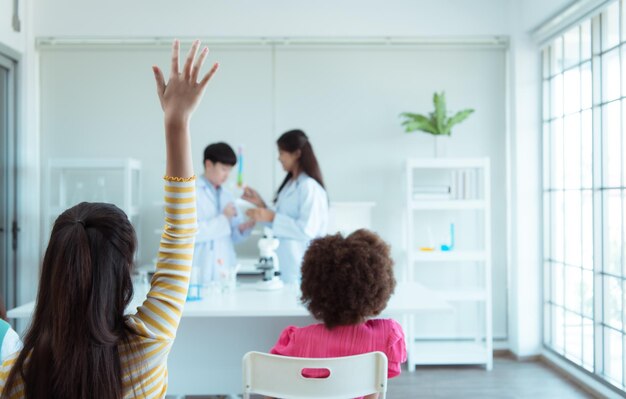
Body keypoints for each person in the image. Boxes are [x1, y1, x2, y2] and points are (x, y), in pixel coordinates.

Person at [0, 39, 216, 398]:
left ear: (52, 270)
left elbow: (180, 232)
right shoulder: (147, 347)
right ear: (122, 276)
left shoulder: (13, 377)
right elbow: (181, 233)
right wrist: (176, 122)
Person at [269, 229, 406, 399]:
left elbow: (273, 391)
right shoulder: (387, 336)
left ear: (313, 287)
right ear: (378, 286)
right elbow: (374, 390)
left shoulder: (296, 341)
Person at [243, 129, 328, 284]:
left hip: (301, 264)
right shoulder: (291, 184)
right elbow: (283, 218)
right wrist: (261, 204)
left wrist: (272, 216)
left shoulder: (309, 187)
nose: (279, 158)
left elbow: (307, 230)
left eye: (282, 153)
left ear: (296, 153)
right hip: (287, 265)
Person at [194, 142, 254, 284]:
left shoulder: (227, 195)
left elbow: (231, 236)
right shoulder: (192, 192)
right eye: (223, 169)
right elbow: (191, 233)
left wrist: (241, 228)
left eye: (229, 171)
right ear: (209, 164)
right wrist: (224, 218)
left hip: (224, 266)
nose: (227, 175)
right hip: (200, 265)